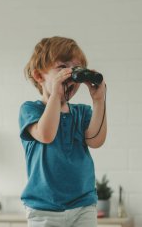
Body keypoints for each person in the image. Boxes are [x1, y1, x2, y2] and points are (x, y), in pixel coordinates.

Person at [19, 36, 107, 227]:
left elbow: (96, 140)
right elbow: (46, 134)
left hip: (83, 205)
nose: (70, 74)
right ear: (39, 76)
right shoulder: (30, 110)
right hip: (44, 208)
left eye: (76, 68)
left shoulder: (82, 112)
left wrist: (99, 100)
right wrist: (56, 96)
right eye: (62, 67)